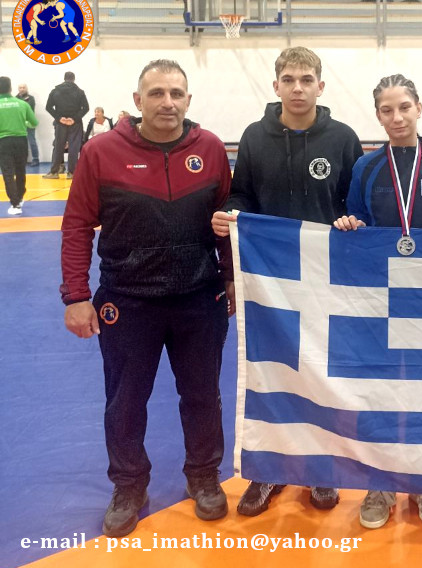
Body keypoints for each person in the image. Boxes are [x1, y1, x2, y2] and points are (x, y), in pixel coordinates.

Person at [60, 59, 233, 538]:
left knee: (203, 395)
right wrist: (76, 295)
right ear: (138, 101)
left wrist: (232, 279)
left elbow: (226, 222)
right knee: (125, 401)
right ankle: (129, 486)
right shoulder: (100, 152)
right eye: (157, 93)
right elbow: (77, 225)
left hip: (199, 297)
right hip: (128, 301)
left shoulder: (211, 148)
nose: (167, 103)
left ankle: (204, 476)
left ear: (188, 100)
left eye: (176, 93)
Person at [211, 46, 363, 517]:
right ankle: (268, 470)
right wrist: (232, 214)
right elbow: (242, 194)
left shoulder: (343, 138)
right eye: (289, 80)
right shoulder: (254, 137)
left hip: (327, 278)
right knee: (270, 373)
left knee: (322, 371)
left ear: (321, 85)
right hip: (270, 278)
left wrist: (352, 221)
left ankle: (321, 468)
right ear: (276, 85)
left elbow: (356, 203)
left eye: (306, 79)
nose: (298, 88)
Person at [333, 74, 422, 529]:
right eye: (387, 110)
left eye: (404, 107)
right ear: (378, 116)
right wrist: (349, 224)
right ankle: (380, 482)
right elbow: (355, 218)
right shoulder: (366, 167)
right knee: (381, 390)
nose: (397, 117)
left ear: (419, 108)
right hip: (380, 296)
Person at [0, 77, 39, 215]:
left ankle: (15, 204)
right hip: (21, 140)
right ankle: (20, 197)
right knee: (20, 170)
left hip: (3, 142)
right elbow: (34, 123)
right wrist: (23, 124)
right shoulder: (22, 103)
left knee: (8, 173)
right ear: (11, 88)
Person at [44, 71, 89, 179]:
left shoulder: (55, 91)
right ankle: (72, 173)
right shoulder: (80, 92)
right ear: (73, 79)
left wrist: (59, 118)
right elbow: (86, 108)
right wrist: (74, 119)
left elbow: (48, 107)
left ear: (64, 78)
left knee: (58, 147)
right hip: (75, 123)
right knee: (73, 148)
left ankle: (54, 172)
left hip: (61, 123)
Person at [16, 83, 39, 167]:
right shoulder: (15, 98)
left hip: (29, 123)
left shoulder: (31, 98)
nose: (22, 89)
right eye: (20, 87)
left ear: (26, 88)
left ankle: (35, 159)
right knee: (21, 142)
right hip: (19, 123)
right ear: (18, 89)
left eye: (23, 87)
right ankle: (23, 159)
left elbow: (30, 109)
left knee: (32, 142)